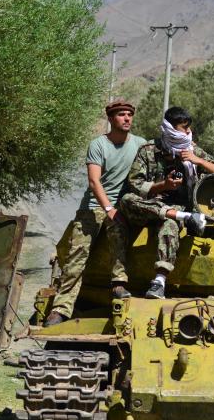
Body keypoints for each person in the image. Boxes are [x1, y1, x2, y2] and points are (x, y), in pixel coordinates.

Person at [45, 98, 145, 326]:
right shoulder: (98, 145)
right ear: (111, 119)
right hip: (94, 207)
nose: (127, 118)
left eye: (129, 114)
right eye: (121, 114)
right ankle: (61, 309)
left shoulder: (140, 144)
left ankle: (118, 283)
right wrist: (108, 208)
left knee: (119, 232)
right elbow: (94, 181)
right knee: (77, 255)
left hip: (124, 206)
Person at [117, 106, 214, 299]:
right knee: (126, 200)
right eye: (184, 128)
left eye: (189, 128)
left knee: (170, 224)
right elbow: (134, 184)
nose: (189, 132)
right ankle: (184, 217)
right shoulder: (149, 150)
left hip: (178, 208)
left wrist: (197, 160)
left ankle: (159, 282)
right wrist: (163, 185)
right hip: (147, 208)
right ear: (171, 129)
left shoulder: (192, 150)